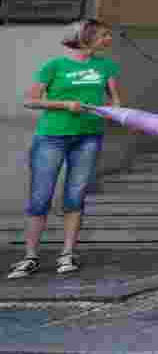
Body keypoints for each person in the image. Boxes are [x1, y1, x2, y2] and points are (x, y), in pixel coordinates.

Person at [9, 19, 122, 279]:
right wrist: (65, 105)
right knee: (40, 197)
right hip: (52, 137)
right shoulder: (54, 66)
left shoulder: (107, 66)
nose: (109, 39)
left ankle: (67, 254)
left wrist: (117, 111)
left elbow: (115, 100)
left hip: (89, 137)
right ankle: (30, 256)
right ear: (86, 37)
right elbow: (31, 100)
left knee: (75, 196)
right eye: (105, 35)